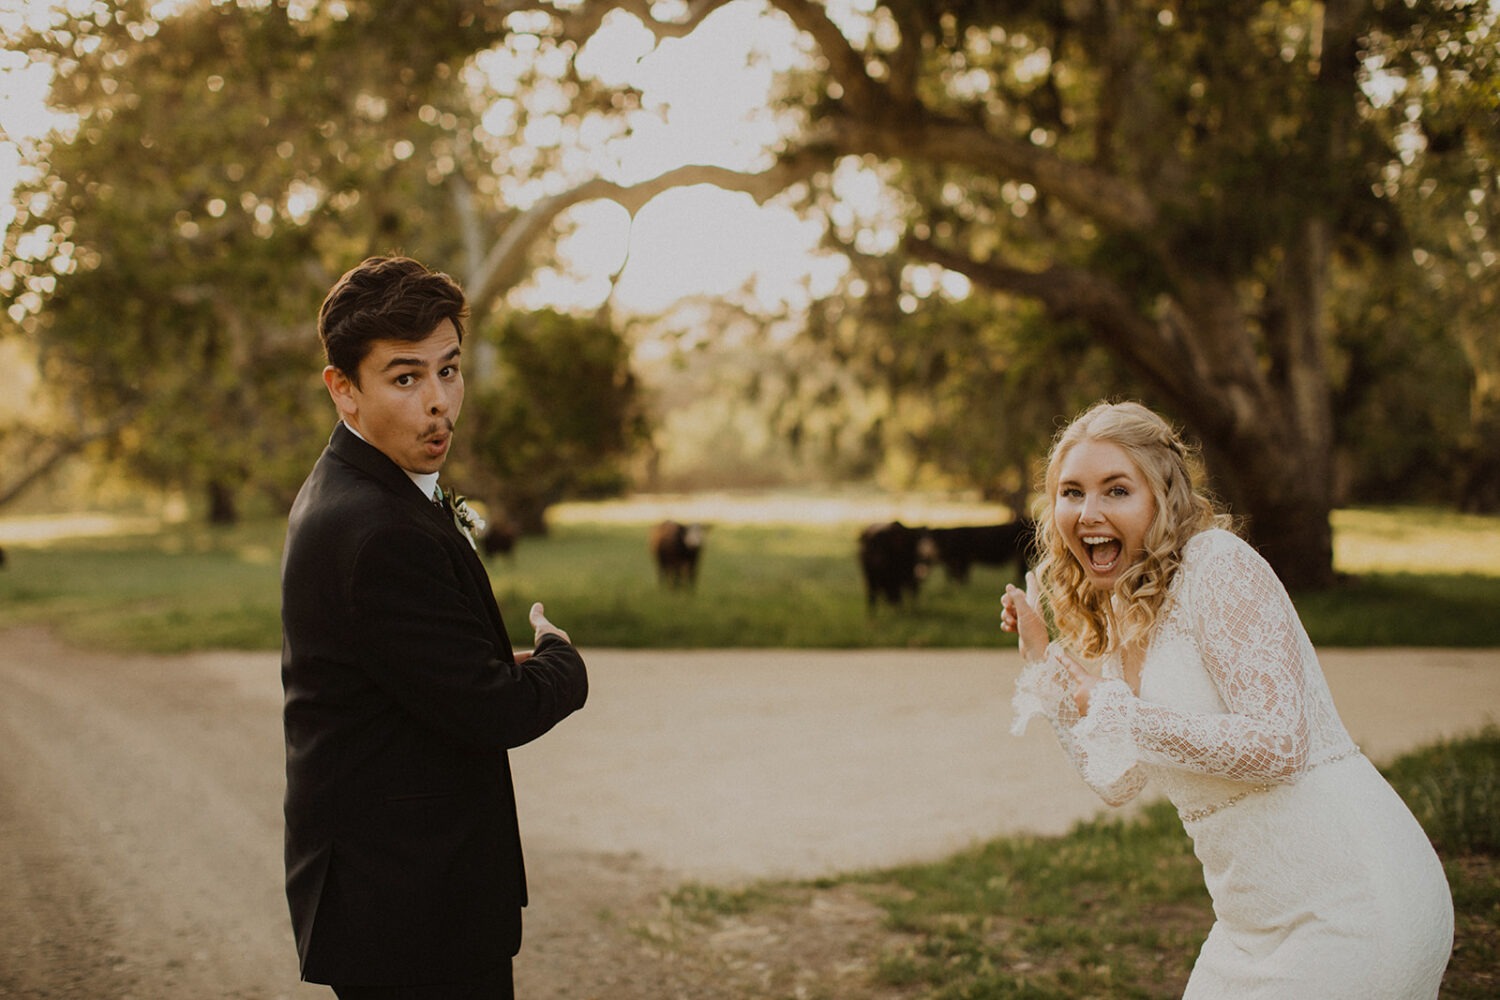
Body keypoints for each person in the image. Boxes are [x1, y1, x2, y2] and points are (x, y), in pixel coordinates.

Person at [1002, 400, 1452, 999]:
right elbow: (1117, 782)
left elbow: (1281, 745)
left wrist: (1115, 709)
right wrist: (1044, 660)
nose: (1088, 513)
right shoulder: (1128, 612)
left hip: (1353, 899)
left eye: (1116, 490)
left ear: (1162, 496)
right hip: (1250, 924)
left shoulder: (1216, 564)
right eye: (1071, 492)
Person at [280, 255, 589, 998]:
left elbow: (404, 669)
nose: (439, 403)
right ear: (344, 390)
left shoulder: (354, 485)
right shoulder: (377, 527)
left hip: (399, 892)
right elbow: (496, 711)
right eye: (405, 378)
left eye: (449, 371)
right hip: (409, 910)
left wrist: (477, 662)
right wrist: (560, 660)